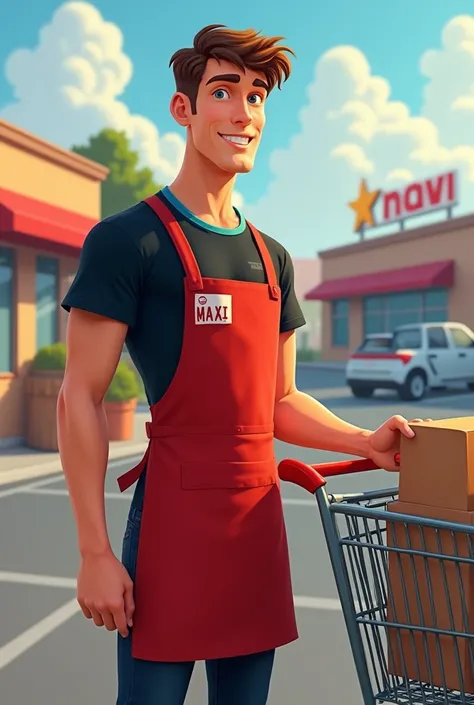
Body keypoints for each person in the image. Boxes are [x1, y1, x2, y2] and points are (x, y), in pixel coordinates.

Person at [57, 23, 424, 705]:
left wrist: (361, 440)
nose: (243, 113)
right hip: (171, 529)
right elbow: (77, 396)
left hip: (256, 532)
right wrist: (95, 553)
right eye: (223, 91)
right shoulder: (127, 242)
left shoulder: (272, 257)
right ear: (184, 109)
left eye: (256, 97)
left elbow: (278, 400)